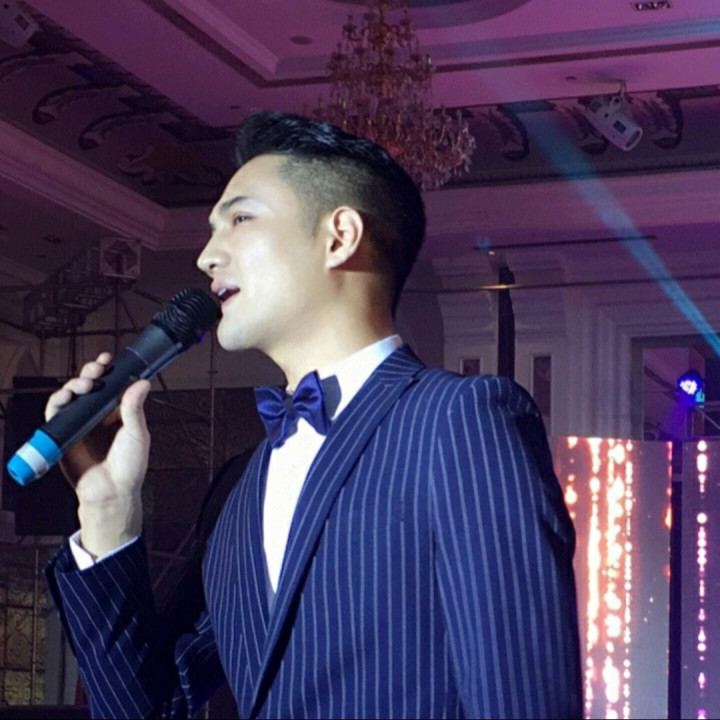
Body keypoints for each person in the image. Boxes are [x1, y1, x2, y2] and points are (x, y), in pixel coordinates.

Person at [43, 110, 582, 719]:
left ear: (339, 236)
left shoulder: (459, 420)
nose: (206, 257)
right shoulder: (238, 487)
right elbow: (149, 710)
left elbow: (522, 700)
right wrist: (108, 514)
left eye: (239, 219)